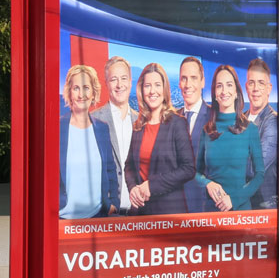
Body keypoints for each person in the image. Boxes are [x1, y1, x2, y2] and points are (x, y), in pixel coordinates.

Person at [125, 63, 197, 216]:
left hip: (169, 212)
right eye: (147, 86)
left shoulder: (178, 123)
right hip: (141, 212)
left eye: (157, 85)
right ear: (141, 90)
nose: (152, 91)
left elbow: (188, 169)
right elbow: (129, 166)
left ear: (164, 90)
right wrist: (132, 188)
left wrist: (152, 186)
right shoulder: (138, 126)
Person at [194, 65, 266, 212]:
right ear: (214, 93)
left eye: (229, 85)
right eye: (219, 86)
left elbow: (260, 174)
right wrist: (207, 183)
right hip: (211, 213)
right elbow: (194, 172)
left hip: (240, 211)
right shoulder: (207, 130)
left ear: (236, 92)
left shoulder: (250, 129)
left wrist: (234, 199)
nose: (224, 91)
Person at [59, 64, 121, 219]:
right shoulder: (57, 127)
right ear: (69, 92)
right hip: (62, 218)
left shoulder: (101, 128)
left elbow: (110, 168)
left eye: (86, 87)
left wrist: (113, 202)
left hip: (98, 216)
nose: (82, 94)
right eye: (76, 88)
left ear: (93, 92)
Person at [92, 56, 139, 209]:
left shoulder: (142, 121)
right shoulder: (93, 120)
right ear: (106, 83)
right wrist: (107, 204)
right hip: (109, 215)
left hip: (140, 215)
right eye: (113, 80)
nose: (119, 85)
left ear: (130, 82)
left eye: (124, 78)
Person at [177, 56, 211, 213]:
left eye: (193, 78)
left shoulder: (215, 117)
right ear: (179, 83)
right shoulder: (170, 119)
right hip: (173, 209)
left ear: (203, 82)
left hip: (204, 208)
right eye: (184, 78)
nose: (188, 84)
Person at [245, 58, 279, 209]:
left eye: (261, 83)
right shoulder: (240, 119)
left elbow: (256, 168)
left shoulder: (272, 121)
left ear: (269, 88)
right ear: (246, 87)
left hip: (263, 206)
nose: (255, 88)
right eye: (251, 82)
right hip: (242, 205)